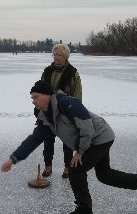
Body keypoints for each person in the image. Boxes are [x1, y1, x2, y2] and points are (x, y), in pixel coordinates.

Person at [1, 80, 137, 214]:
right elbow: (34, 139)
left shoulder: (67, 103)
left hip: (99, 137)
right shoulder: (46, 116)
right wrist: (13, 158)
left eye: (35, 97)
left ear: (47, 95)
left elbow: (87, 127)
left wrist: (80, 151)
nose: (33, 101)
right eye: (32, 98)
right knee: (104, 175)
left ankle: (84, 209)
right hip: (94, 139)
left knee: (75, 169)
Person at [35, 43, 82, 179]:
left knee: (67, 143)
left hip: (65, 113)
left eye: (59, 55)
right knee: (48, 141)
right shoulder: (47, 71)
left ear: (66, 56)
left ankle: (67, 168)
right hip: (48, 112)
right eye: (54, 54)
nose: (56, 57)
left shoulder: (73, 73)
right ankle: (48, 167)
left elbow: (77, 95)